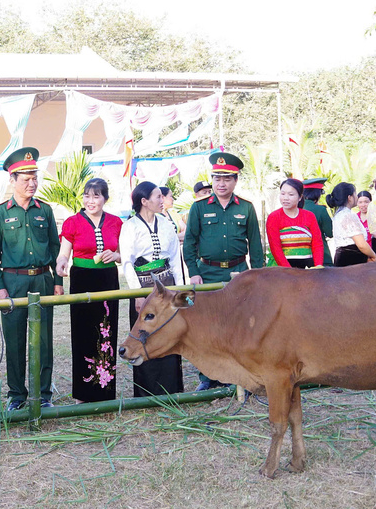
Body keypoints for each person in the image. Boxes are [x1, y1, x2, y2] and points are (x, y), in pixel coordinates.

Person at [0, 147, 63, 411]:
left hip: (42, 280)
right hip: (13, 283)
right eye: (25, 179)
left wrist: (58, 282)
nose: (32, 184)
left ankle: (44, 394)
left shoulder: (46, 211)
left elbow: (55, 248)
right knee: (16, 340)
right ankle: (17, 395)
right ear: (12, 180)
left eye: (35, 178)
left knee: (43, 340)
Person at [183, 152, 264, 391]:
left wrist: (257, 274)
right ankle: (208, 377)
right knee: (208, 325)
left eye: (227, 178)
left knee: (241, 325)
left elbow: (256, 245)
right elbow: (189, 242)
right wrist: (194, 271)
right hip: (207, 273)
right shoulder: (198, 208)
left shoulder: (247, 208)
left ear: (235, 180)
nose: (221, 183)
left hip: (239, 273)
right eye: (217, 178)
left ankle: (241, 376)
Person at [56, 178, 122, 403]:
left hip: (108, 278)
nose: (90, 201)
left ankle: (104, 391)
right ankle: (83, 394)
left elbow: (124, 255)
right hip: (82, 278)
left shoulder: (115, 222)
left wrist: (116, 256)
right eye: (87, 195)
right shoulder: (72, 222)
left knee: (106, 331)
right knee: (83, 332)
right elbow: (64, 253)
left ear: (105, 198)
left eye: (96, 196)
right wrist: (61, 263)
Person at [120, 181, 184, 398]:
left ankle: (171, 389)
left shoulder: (166, 224)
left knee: (169, 332)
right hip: (144, 286)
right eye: (158, 196)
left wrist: (180, 292)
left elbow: (175, 258)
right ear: (144, 201)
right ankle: (147, 391)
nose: (162, 200)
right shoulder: (130, 226)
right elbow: (127, 263)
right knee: (145, 334)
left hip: (168, 286)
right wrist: (138, 293)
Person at [265, 178, 323, 268]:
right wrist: (289, 272)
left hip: (308, 269)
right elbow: (275, 248)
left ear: (300, 197)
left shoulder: (309, 216)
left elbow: (317, 244)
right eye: (282, 193)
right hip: (283, 270)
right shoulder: (274, 217)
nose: (285, 198)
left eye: (291, 194)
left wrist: (318, 266)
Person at [326, 183, 376, 266]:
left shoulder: (339, 214)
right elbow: (361, 244)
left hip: (343, 257)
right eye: (355, 194)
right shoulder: (348, 215)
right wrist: (373, 255)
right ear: (349, 198)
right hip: (352, 259)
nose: (357, 197)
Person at [302, 178, 334, 266]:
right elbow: (330, 233)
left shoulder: (295, 209)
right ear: (317, 194)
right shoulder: (320, 210)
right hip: (321, 257)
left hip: (300, 256)